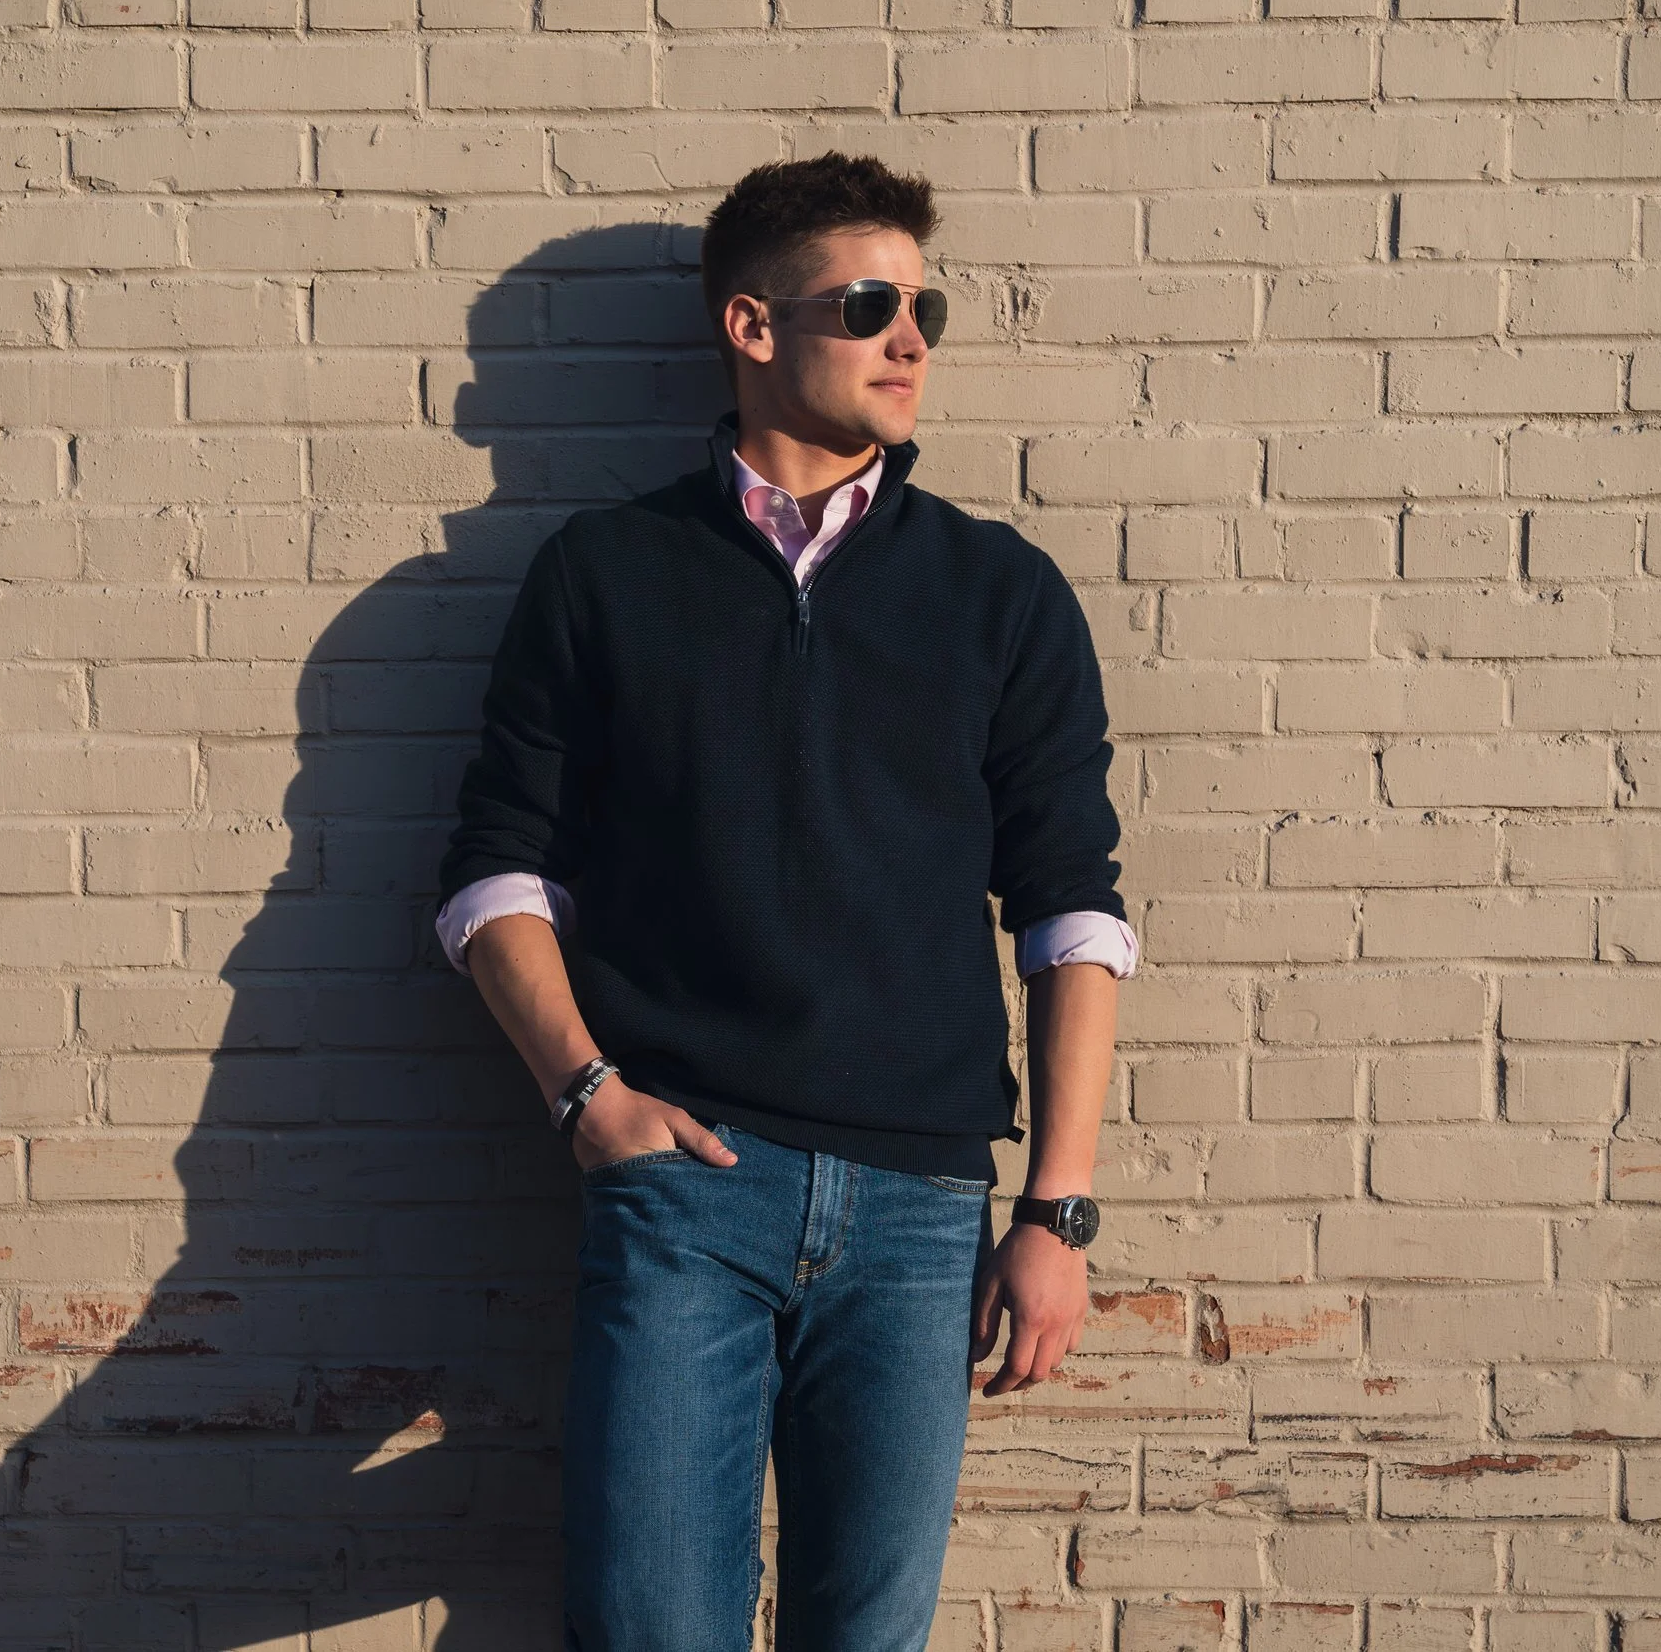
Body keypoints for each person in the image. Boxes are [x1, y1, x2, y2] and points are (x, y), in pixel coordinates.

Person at [432, 152, 1138, 1652]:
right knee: (646, 1633)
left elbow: (1073, 907)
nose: (911, 339)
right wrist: (589, 1100)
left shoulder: (1001, 593)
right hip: (684, 1183)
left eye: (924, 305)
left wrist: (1057, 1210)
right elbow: (494, 873)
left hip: (919, 1213)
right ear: (753, 328)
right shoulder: (608, 572)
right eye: (870, 302)